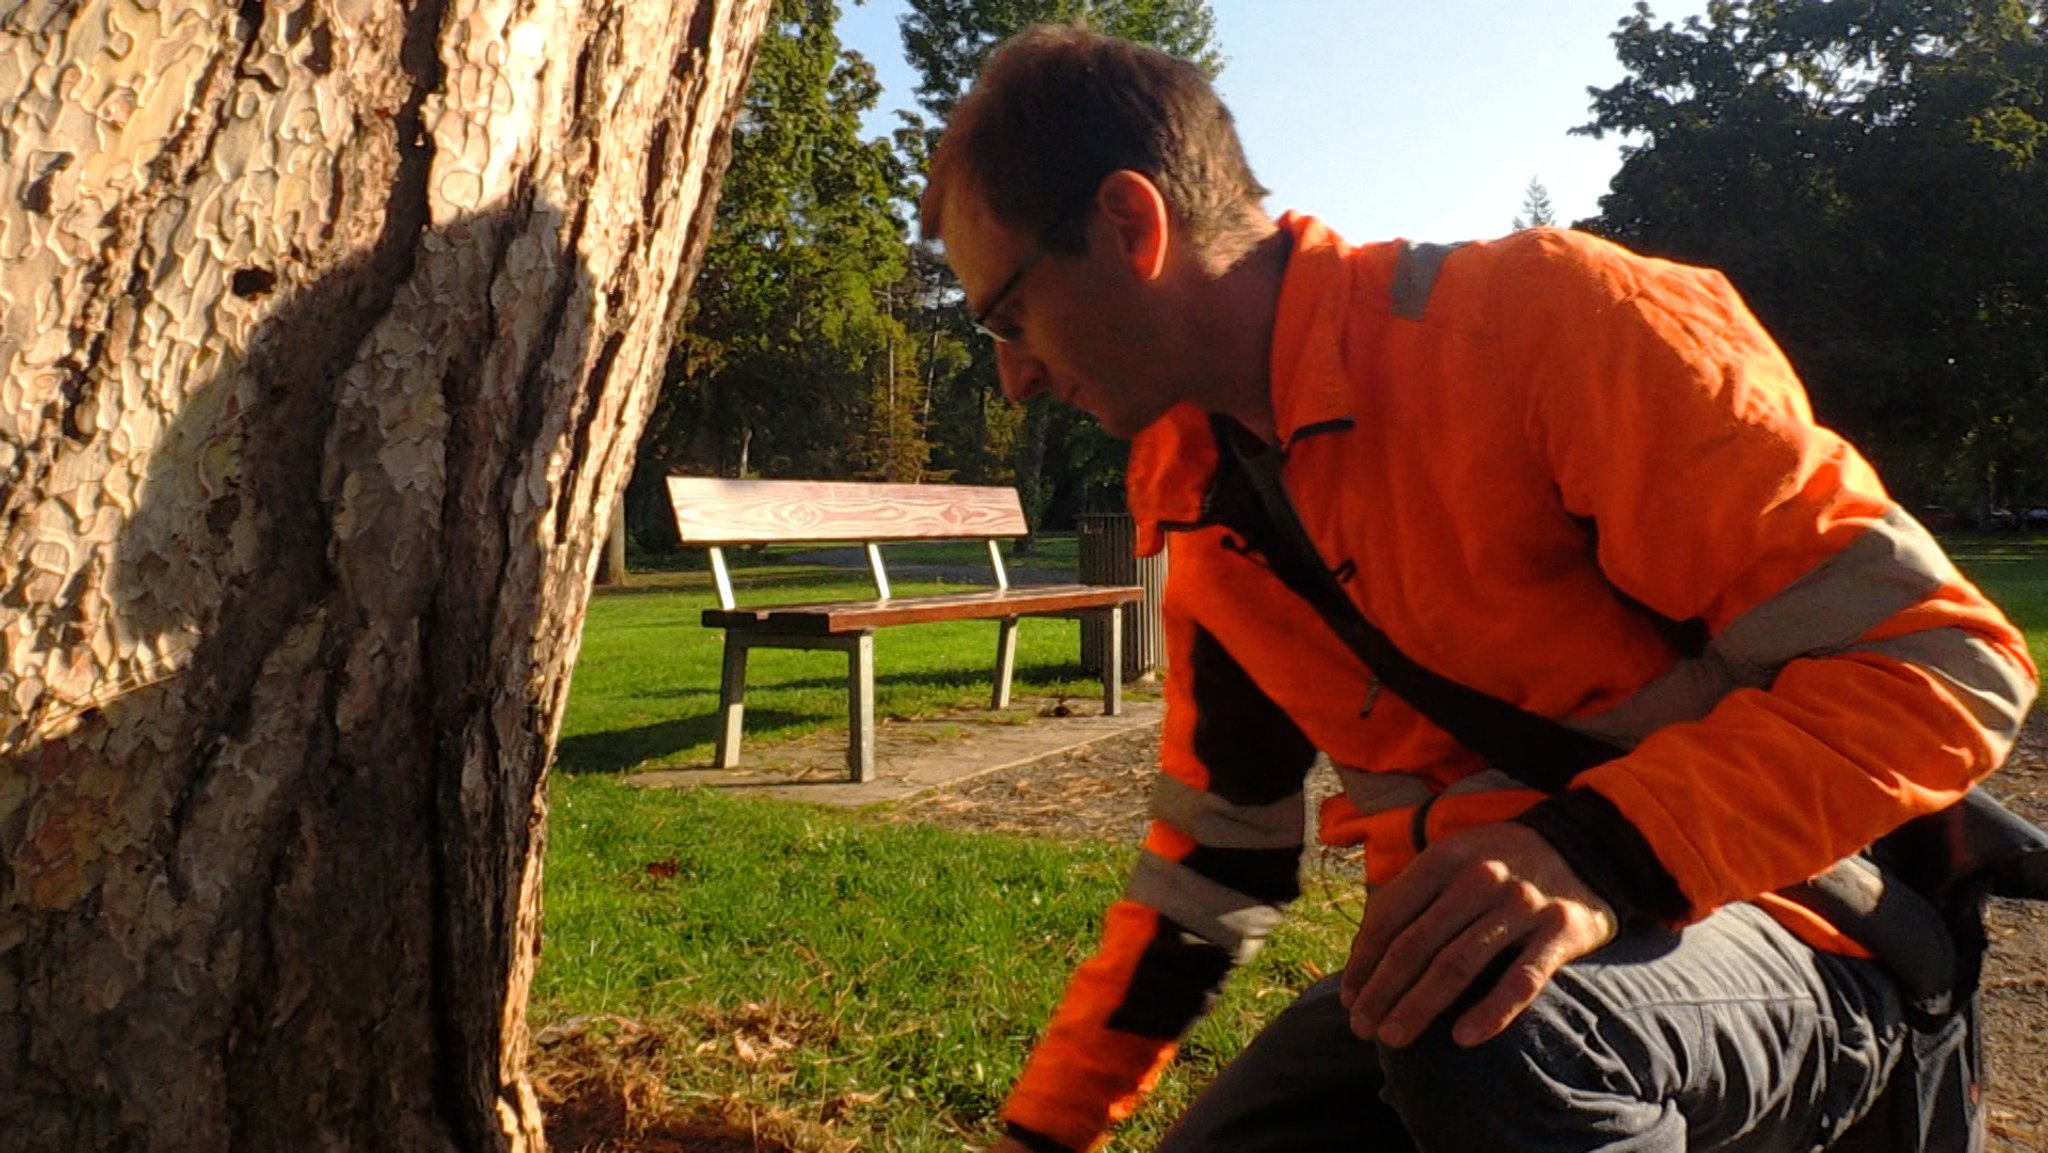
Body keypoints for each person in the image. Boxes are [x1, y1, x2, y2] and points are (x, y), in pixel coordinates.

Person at [920, 24, 2039, 1153]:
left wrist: (1591, 853)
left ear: (1128, 225)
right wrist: (1042, 1136)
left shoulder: (1552, 321)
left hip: (1803, 937)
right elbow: (1210, 875)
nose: (1011, 376)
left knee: (1483, 1025)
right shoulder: (1202, 505)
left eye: (1007, 317)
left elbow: (1944, 667)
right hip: (1480, 982)